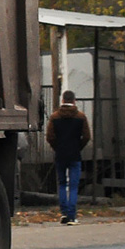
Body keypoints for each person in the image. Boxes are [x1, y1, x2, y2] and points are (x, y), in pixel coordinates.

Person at [46, 90, 92, 225]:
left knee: (61, 184)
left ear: (62, 101)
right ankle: (72, 216)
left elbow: (50, 137)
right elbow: (87, 136)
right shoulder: (81, 117)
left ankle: (64, 213)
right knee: (73, 186)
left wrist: (57, 147)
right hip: (75, 155)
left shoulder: (54, 117)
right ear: (74, 101)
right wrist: (78, 147)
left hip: (60, 154)